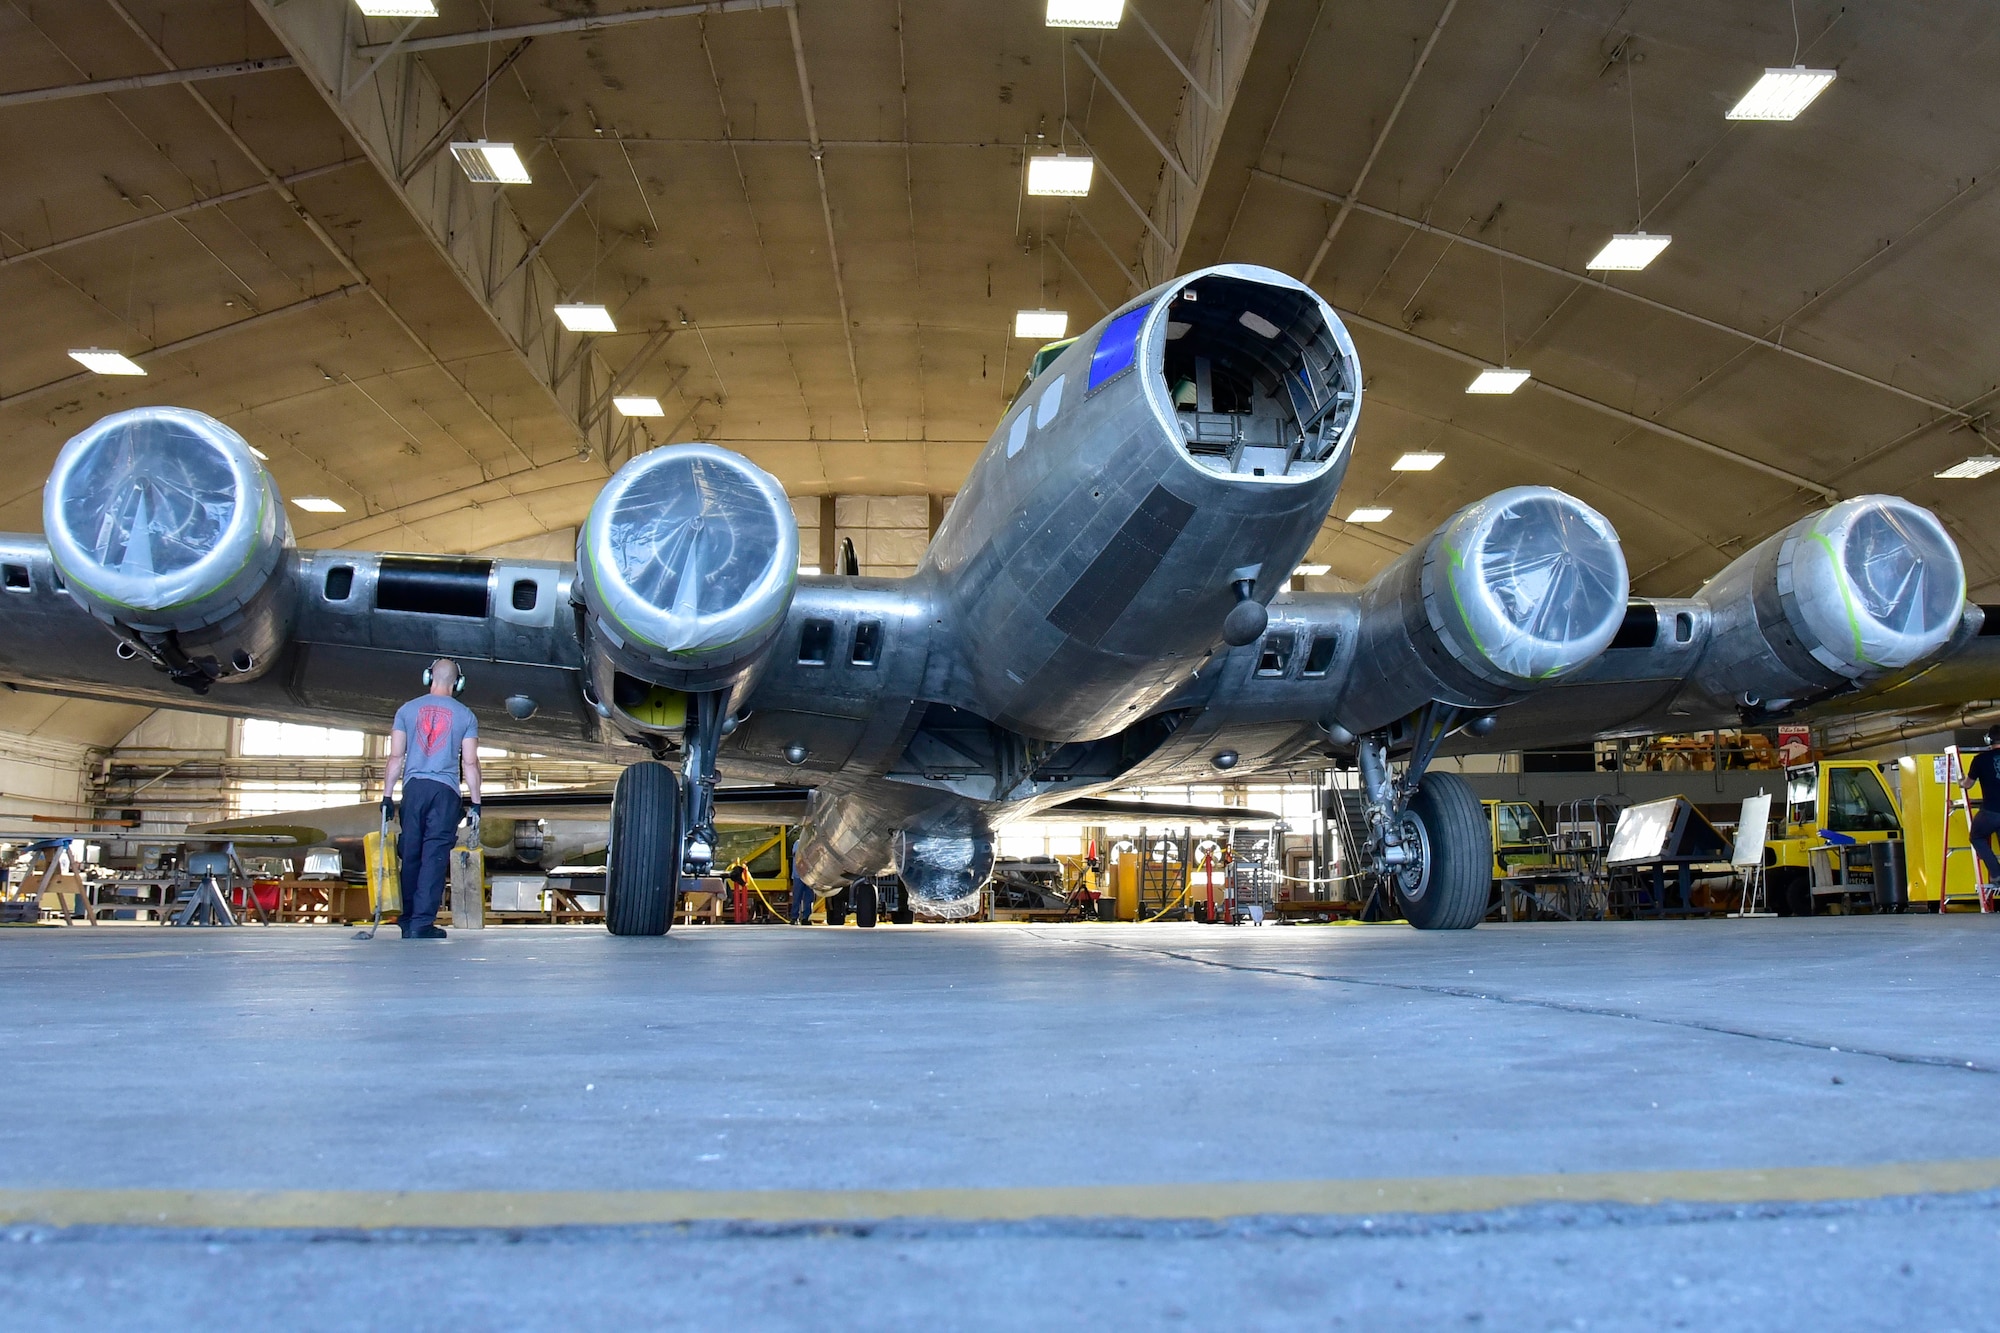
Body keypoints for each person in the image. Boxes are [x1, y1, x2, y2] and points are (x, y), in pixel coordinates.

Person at [380, 658, 481, 939]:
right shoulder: (466, 715)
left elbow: (395, 757)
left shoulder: (406, 710)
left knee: (410, 854)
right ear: (458, 683)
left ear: (428, 677)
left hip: (413, 790)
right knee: (434, 856)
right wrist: (476, 803)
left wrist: (387, 797)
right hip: (445, 793)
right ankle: (421, 924)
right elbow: (470, 763)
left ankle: (407, 919)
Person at [1963, 729, 2000, 888]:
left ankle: (1996, 873)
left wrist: (1960, 781)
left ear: (1988, 740)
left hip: (1991, 811)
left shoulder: (1980, 759)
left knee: (1976, 837)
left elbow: (1968, 784)